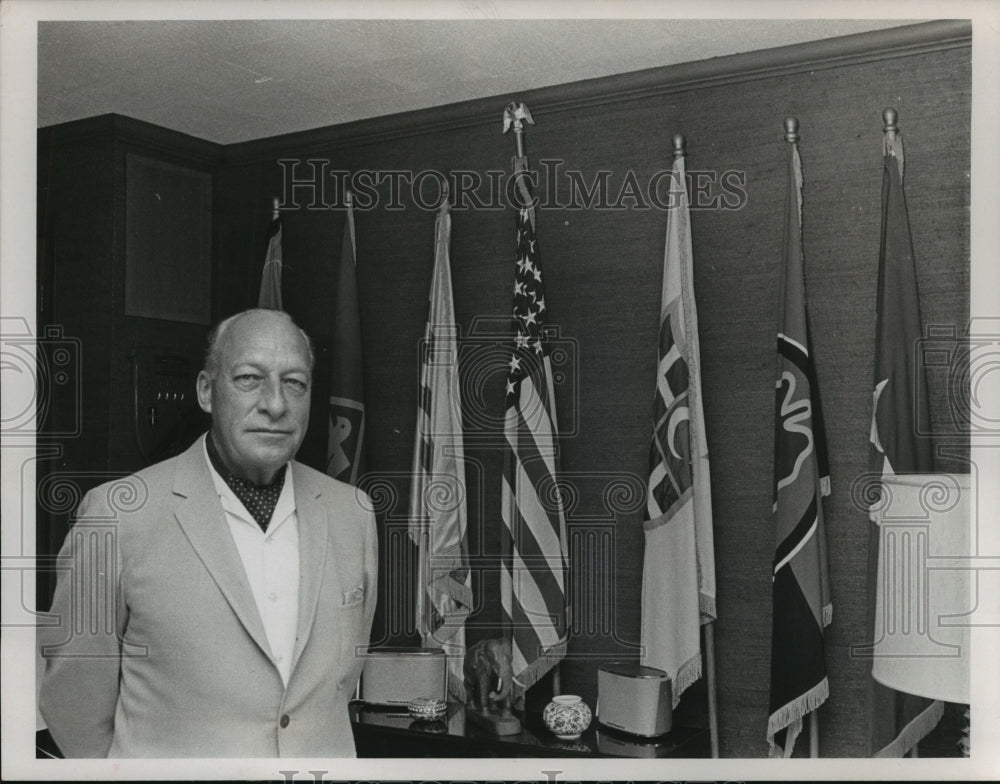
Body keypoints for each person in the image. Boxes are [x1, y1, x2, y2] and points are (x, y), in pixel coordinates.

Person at [38, 308, 378, 758]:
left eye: (294, 382)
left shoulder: (352, 512)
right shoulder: (118, 517)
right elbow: (74, 707)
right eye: (249, 378)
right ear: (205, 391)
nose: (275, 404)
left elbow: (339, 684)